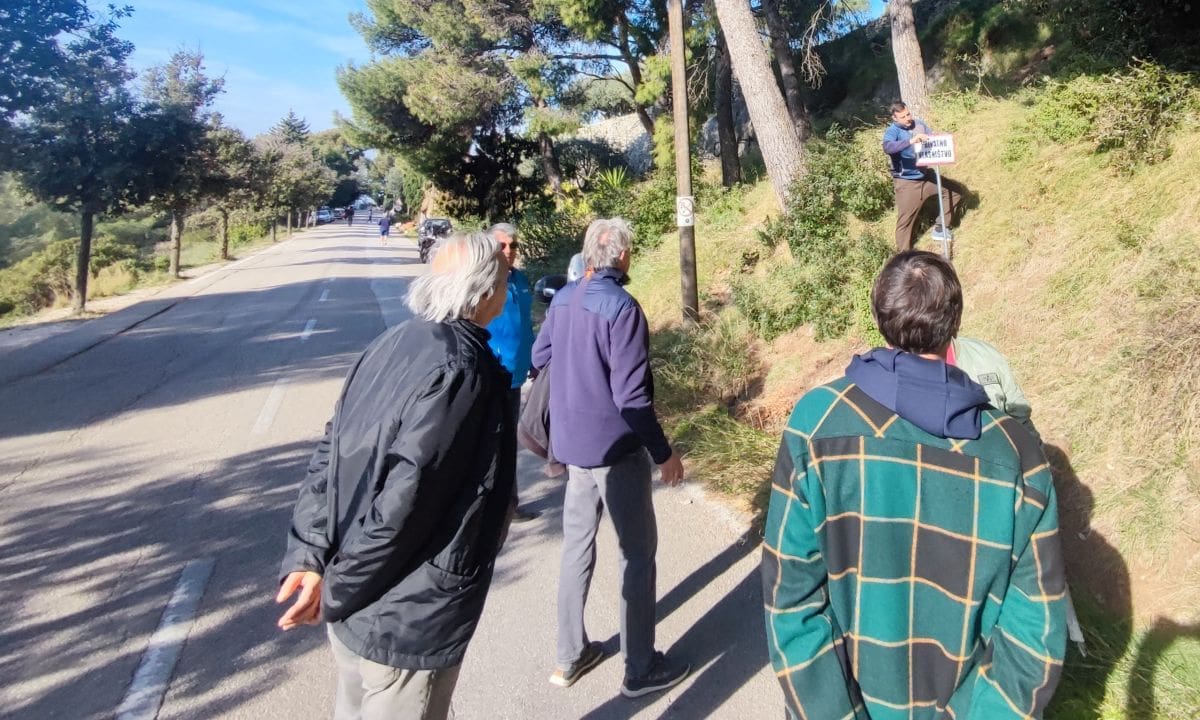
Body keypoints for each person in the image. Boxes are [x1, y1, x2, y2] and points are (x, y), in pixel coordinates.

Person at [762, 250, 1067, 719]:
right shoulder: (1017, 456)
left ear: (879, 317)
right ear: (955, 324)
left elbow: (790, 597)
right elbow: (1033, 634)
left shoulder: (816, 423)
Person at [276, 232, 516, 720]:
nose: (506, 291)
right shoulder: (461, 370)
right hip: (403, 616)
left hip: (358, 597)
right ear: (484, 290)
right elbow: (405, 505)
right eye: (504, 280)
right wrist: (335, 585)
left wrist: (312, 555)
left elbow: (329, 452)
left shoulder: (392, 343)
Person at [531, 217, 691, 698]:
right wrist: (663, 453)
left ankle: (569, 656)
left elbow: (540, 357)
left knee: (576, 548)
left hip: (572, 447)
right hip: (617, 451)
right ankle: (639, 668)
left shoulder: (563, 299)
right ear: (621, 256)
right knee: (637, 554)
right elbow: (632, 398)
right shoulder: (622, 308)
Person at [484, 223, 538, 522]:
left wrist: (534, 358)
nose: (509, 251)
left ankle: (507, 506)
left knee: (506, 444)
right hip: (491, 374)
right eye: (502, 246)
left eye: (513, 245)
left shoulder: (519, 278)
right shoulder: (482, 280)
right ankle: (488, 509)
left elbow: (525, 323)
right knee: (488, 443)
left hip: (515, 376)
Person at [883, 100, 962, 252]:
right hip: (907, 183)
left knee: (954, 192)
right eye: (903, 117)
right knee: (905, 222)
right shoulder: (893, 131)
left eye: (908, 114)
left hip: (925, 177)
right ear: (894, 118)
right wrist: (910, 141)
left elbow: (933, 139)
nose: (908, 119)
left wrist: (946, 142)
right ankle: (905, 256)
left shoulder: (919, 124)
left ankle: (941, 227)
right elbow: (888, 147)